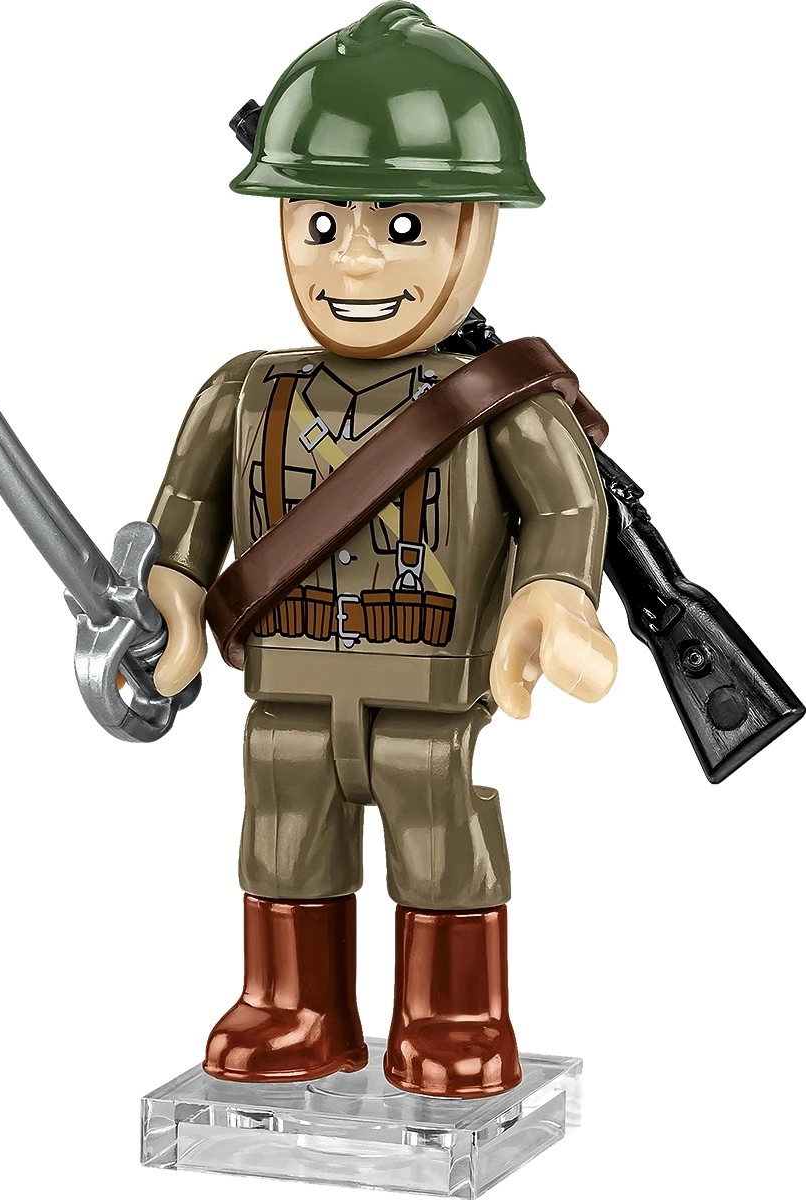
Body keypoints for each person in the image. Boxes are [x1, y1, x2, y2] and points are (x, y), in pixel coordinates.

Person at [146, 1, 617, 1098]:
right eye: (320, 223)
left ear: (473, 228)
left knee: (436, 826)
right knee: (281, 820)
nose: (353, 262)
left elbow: (565, 510)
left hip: (426, 688)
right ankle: (292, 1005)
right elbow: (184, 517)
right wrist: (170, 598)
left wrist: (554, 597)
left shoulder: (502, 404)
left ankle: (453, 1015)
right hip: (290, 684)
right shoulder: (240, 391)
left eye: (401, 228)